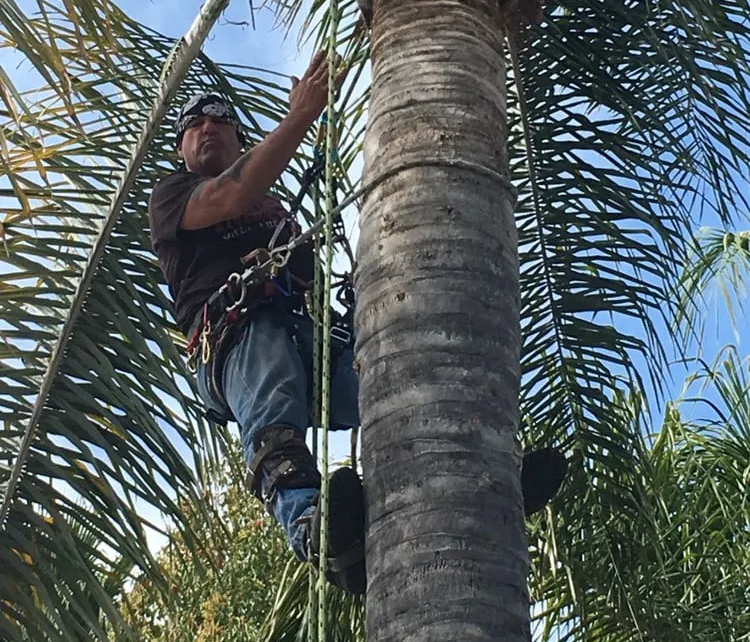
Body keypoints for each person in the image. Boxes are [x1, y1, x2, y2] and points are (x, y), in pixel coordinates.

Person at [149, 52, 567, 598]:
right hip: (235, 341)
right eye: (193, 124)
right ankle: (311, 530)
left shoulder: (274, 213)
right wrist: (302, 116)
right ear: (181, 148)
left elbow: (306, 278)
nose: (206, 128)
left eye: (219, 120)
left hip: (300, 338)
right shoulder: (171, 196)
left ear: (237, 137)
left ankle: (481, 478)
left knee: (395, 376)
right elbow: (229, 194)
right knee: (271, 378)